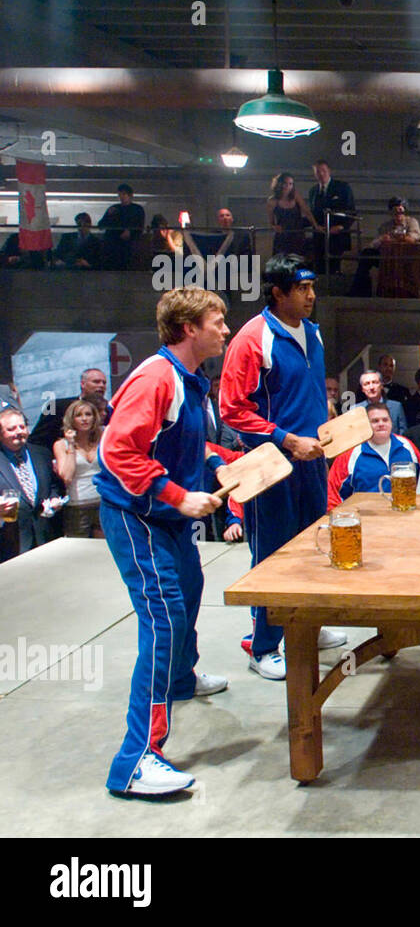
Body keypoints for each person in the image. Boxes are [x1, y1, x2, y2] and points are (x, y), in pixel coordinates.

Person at [95, 285, 241, 796]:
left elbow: (181, 438)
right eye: (217, 321)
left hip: (168, 518)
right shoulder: (156, 377)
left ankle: (180, 681)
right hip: (138, 517)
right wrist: (178, 495)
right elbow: (116, 452)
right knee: (162, 622)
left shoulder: (190, 380)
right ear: (188, 329)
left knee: (190, 593)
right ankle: (135, 760)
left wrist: (216, 461)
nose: (226, 329)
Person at [220, 253, 346, 681]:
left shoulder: (313, 333)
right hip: (270, 465)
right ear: (277, 293)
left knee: (313, 547)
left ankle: (306, 624)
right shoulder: (252, 339)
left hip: (312, 461)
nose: (312, 296)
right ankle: (263, 646)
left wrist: (324, 426)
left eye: (313, 287)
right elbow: (231, 410)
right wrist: (287, 439)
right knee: (272, 554)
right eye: (302, 289)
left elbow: (309, 394)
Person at [326, 403, 420, 510]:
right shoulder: (350, 453)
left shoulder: (407, 446)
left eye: (385, 420)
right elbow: (332, 492)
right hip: (366, 518)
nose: (381, 424)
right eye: (375, 421)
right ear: (366, 425)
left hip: (404, 513)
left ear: (391, 422)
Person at [0, 407, 62, 561]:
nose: (18, 432)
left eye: (22, 426)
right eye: (11, 429)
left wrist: (54, 499)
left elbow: (54, 486)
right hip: (12, 543)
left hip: (46, 537)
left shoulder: (41, 453)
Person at [349, 197, 420, 297]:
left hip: (405, 256)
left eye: (400, 211)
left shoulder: (412, 222)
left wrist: (398, 238)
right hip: (387, 255)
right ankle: (360, 291)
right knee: (366, 255)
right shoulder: (386, 226)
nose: (398, 215)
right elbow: (376, 243)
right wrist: (383, 239)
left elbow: (413, 238)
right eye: (394, 211)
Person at [53, 399, 105, 538]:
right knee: (81, 552)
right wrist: (71, 444)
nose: (84, 419)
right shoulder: (61, 444)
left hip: (103, 502)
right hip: (77, 506)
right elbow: (67, 476)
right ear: (72, 419)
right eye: (79, 415)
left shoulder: (103, 438)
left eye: (88, 414)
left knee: (104, 551)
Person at [29, 367, 111, 450]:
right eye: (96, 382)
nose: (101, 385)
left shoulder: (109, 411)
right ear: (83, 384)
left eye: (104, 383)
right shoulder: (56, 406)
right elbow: (37, 440)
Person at [307, 159, 355, 275]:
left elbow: (351, 211)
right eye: (318, 172)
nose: (321, 174)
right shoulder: (313, 191)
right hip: (319, 236)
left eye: (323, 171)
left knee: (334, 267)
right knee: (318, 268)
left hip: (337, 236)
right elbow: (313, 213)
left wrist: (341, 226)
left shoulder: (343, 187)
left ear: (329, 171)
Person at [267, 172, 317, 260]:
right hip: (282, 236)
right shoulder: (272, 201)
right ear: (279, 184)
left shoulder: (295, 196)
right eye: (285, 183)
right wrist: (274, 226)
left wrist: (316, 225)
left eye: (290, 184)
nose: (288, 186)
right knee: (282, 265)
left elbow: (307, 212)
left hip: (297, 234)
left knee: (298, 262)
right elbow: (271, 222)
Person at [97, 184, 145, 270]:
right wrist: (108, 214)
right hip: (112, 245)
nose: (121, 197)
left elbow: (140, 226)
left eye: (124, 194)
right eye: (119, 195)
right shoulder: (113, 208)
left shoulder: (137, 209)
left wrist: (130, 232)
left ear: (130, 195)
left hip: (129, 245)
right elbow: (101, 225)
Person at [184, 208, 254, 260]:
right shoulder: (213, 236)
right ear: (218, 220)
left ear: (232, 219)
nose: (225, 218)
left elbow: (247, 254)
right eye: (222, 216)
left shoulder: (242, 235)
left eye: (227, 215)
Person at [358, 368, 408, 434]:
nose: (371, 387)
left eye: (375, 382)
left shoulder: (396, 407)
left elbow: (403, 433)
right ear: (362, 389)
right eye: (367, 384)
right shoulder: (356, 409)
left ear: (381, 385)